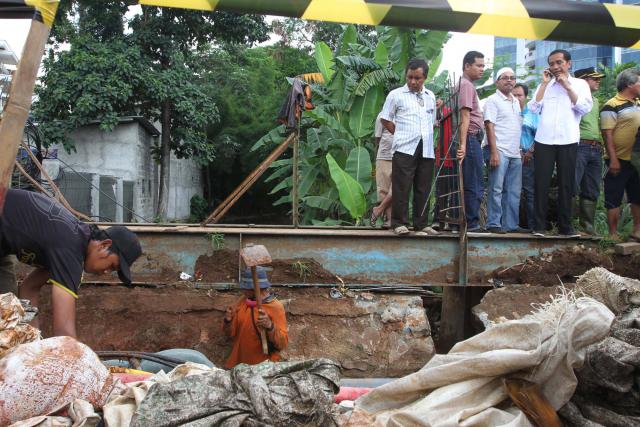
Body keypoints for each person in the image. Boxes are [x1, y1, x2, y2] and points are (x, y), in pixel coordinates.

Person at [0, 188, 142, 337]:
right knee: (6, 321)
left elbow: (29, 288)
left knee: (8, 314)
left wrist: (34, 339)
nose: (106, 272)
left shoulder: (71, 243)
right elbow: (64, 332)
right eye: (112, 266)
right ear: (104, 245)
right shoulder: (71, 249)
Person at [527, 49, 592, 237]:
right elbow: (533, 107)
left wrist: (567, 86)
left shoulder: (580, 84)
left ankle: (566, 227)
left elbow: (584, 108)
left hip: (568, 139)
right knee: (541, 182)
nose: (555, 67)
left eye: (559, 63)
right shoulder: (546, 85)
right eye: (552, 63)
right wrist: (543, 84)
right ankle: (539, 226)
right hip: (544, 139)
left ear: (568, 64)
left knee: (566, 184)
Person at [380, 58, 439, 236]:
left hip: (426, 147)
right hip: (404, 147)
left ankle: (421, 224)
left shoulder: (430, 96)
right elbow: (385, 118)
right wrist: (398, 134)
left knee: (423, 186)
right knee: (402, 186)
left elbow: (432, 120)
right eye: (409, 77)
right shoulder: (396, 95)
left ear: (425, 78)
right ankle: (399, 223)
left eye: (417, 78)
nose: (413, 82)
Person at [601, 68, 640, 241]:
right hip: (618, 160)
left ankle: (637, 231)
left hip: (636, 160)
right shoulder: (612, 104)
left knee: (637, 196)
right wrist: (613, 159)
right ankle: (613, 234)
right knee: (613, 196)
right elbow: (607, 133)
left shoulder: (638, 103)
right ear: (629, 84)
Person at [223, 266, 288, 368]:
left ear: (256, 288)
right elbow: (230, 334)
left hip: (264, 366)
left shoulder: (275, 307)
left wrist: (270, 326)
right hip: (240, 364)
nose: (243, 289)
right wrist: (228, 321)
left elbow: (282, 344)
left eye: (246, 287)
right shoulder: (242, 302)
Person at [483, 67, 523, 234]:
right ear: (497, 82)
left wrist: (519, 149)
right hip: (498, 150)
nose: (509, 80)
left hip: (515, 152)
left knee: (514, 191)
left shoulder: (515, 101)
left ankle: (510, 225)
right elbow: (489, 125)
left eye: (512, 78)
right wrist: (494, 152)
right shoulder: (492, 100)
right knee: (496, 189)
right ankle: (493, 223)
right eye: (505, 77)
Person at [574, 66, 606, 235]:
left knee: (592, 187)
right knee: (572, 184)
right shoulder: (573, 97)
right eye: (594, 78)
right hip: (579, 145)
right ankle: (567, 224)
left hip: (595, 147)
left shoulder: (596, 100)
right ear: (583, 81)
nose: (598, 81)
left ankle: (587, 227)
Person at [456, 51, 486, 232]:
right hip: (470, 137)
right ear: (467, 66)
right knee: (474, 183)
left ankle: (470, 222)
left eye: (483, 66)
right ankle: (472, 223)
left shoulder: (464, 84)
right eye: (479, 65)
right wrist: (463, 144)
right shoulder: (466, 85)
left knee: (472, 181)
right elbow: (465, 116)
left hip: (471, 138)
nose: (482, 69)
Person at [513, 83, 538, 231]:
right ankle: (511, 224)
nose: (516, 98)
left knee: (529, 191)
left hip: (528, 157)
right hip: (511, 155)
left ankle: (532, 226)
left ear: (526, 97)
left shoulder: (532, 113)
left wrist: (530, 152)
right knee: (511, 191)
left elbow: (540, 134)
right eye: (514, 95)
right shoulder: (510, 112)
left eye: (519, 95)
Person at [370, 111, 393, 229]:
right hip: (384, 155)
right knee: (385, 189)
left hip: (403, 155)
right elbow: (377, 138)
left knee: (399, 187)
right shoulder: (382, 115)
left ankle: (378, 209)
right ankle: (390, 220)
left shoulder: (406, 113)